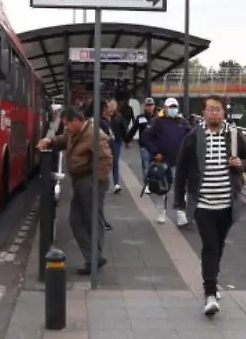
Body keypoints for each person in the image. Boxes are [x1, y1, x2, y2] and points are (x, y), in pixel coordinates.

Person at [173, 95, 246, 316]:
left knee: (219, 245)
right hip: (203, 203)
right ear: (204, 112)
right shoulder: (192, 137)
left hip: (228, 203)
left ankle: (212, 282)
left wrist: (241, 163)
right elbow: (180, 170)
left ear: (224, 112)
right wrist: (179, 201)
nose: (214, 113)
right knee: (210, 246)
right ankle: (209, 294)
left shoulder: (234, 135)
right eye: (210, 109)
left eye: (218, 109)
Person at [37, 106, 114, 275]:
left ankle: (94, 259)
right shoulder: (75, 133)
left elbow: (106, 159)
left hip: (90, 181)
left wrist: (95, 182)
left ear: (77, 121)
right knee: (75, 220)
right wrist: (49, 140)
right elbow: (64, 139)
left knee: (93, 219)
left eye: (68, 124)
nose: (66, 128)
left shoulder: (94, 135)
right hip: (79, 181)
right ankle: (94, 257)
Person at [140, 97, 192, 224]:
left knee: (181, 188)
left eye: (175, 107)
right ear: (165, 108)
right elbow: (145, 138)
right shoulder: (157, 121)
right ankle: (160, 212)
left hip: (179, 161)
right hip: (161, 161)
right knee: (161, 188)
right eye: (170, 107)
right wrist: (155, 152)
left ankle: (181, 214)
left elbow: (190, 137)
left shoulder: (183, 121)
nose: (173, 110)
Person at [105, 99, 129, 193]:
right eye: (110, 105)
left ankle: (116, 184)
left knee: (115, 162)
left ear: (116, 107)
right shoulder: (104, 117)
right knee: (106, 161)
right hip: (106, 142)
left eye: (113, 105)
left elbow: (124, 129)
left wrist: (126, 140)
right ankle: (103, 182)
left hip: (117, 141)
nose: (111, 107)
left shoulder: (119, 117)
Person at [131, 97, 158, 177]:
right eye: (148, 105)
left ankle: (153, 183)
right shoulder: (140, 117)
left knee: (154, 165)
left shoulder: (158, 118)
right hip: (144, 146)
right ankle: (147, 184)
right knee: (146, 165)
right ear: (145, 107)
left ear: (154, 106)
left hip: (155, 146)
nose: (149, 107)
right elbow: (134, 129)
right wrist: (127, 139)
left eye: (151, 105)